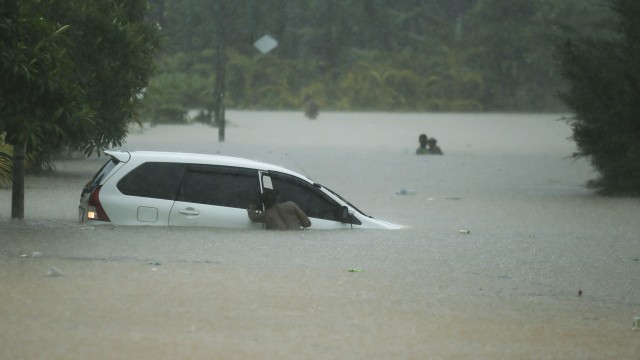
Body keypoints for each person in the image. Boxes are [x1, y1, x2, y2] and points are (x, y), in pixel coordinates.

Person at [247, 189, 312, 230]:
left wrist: (252, 211)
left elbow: (253, 218)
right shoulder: (291, 205)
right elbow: (307, 223)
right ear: (277, 198)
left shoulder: (266, 215)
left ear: (264, 203)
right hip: (297, 240)